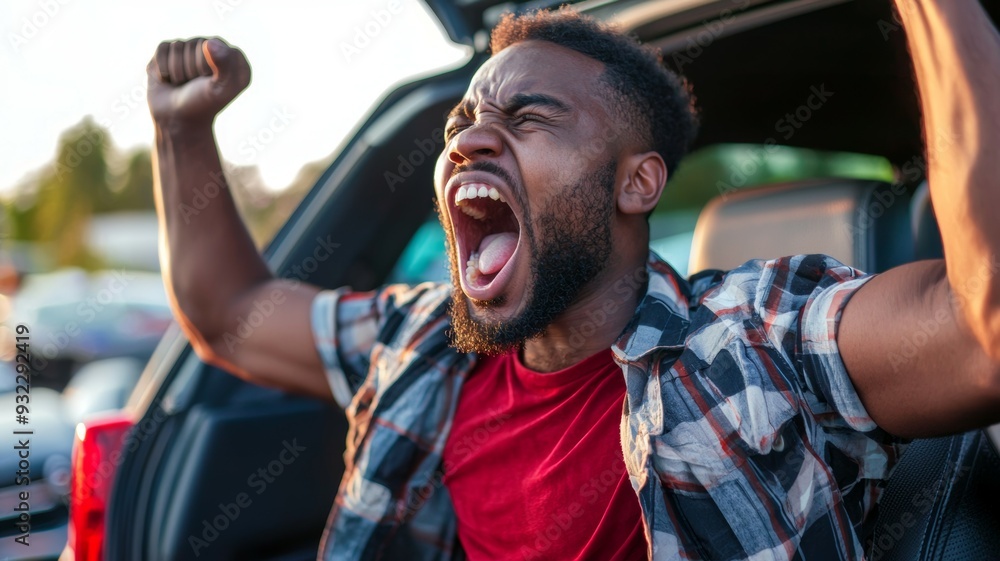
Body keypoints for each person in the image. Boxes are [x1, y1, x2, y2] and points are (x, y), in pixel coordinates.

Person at [146, 2, 1000, 559]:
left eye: (527, 118)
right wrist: (180, 131)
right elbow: (231, 314)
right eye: (464, 121)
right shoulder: (421, 346)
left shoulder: (747, 341)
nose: (469, 141)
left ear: (638, 184)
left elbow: (980, 333)